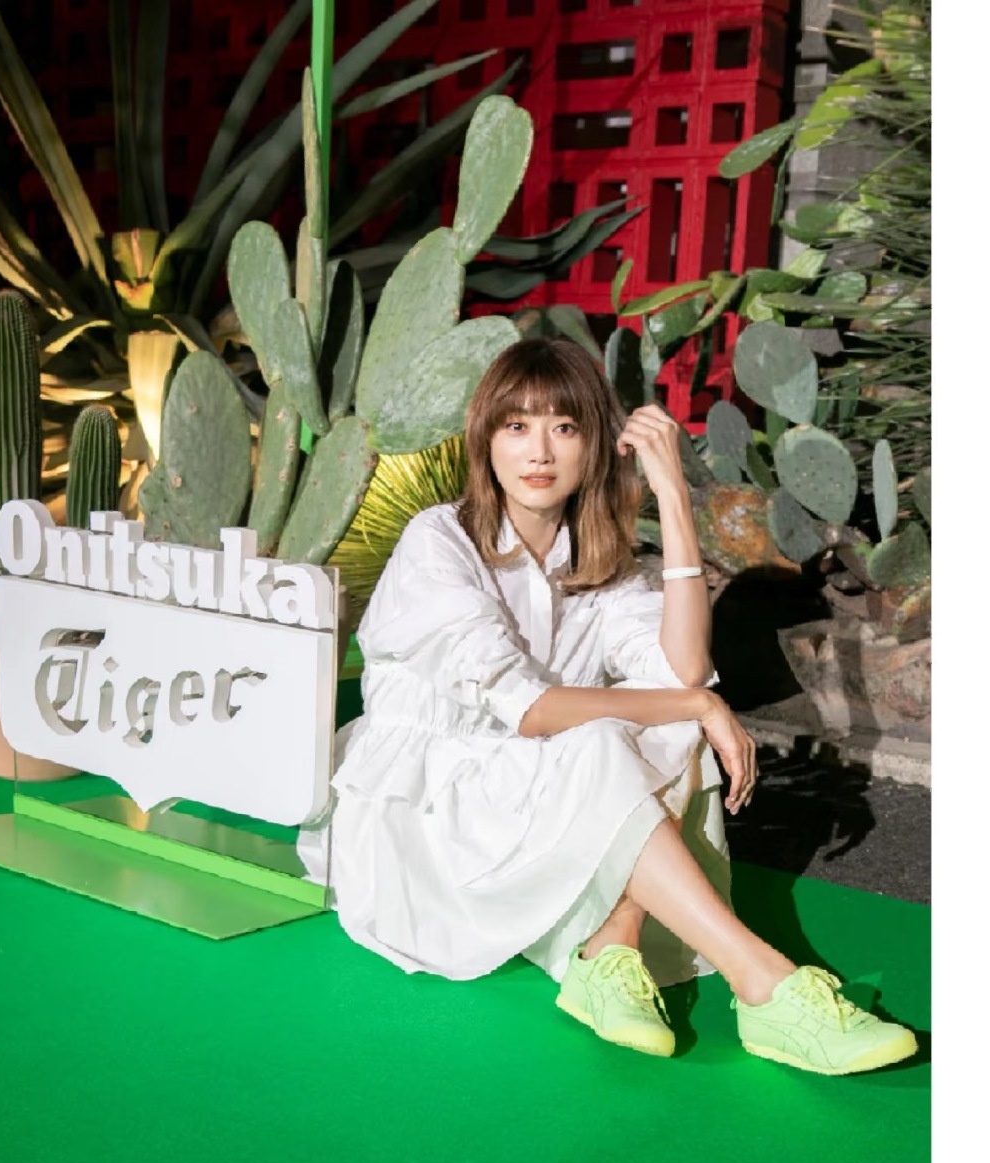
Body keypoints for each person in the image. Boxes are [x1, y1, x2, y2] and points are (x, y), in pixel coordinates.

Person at [300, 337, 917, 1076]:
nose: (539, 451)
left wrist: (673, 498)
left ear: (594, 445)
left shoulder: (593, 557)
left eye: (564, 427)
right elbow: (529, 709)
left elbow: (682, 670)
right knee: (624, 727)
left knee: (671, 715)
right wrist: (698, 702)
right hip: (430, 813)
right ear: (485, 439)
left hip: (532, 782)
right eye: (516, 426)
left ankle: (610, 951)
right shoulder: (439, 539)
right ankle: (763, 981)